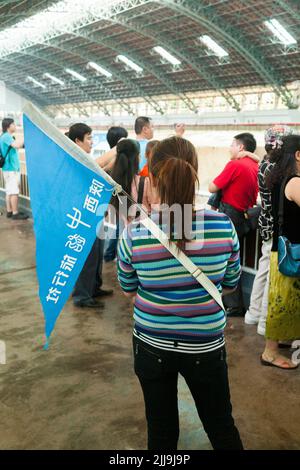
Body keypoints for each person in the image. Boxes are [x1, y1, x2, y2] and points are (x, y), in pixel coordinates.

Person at [117, 136, 243, 450]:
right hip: (205, 346)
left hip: (151, 344)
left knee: (160, 433)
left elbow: (128, 288)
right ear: (194, 172)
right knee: (221, 426)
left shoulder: (134, 233)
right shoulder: (222, 226)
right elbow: (230, 284)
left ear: (153, 179)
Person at [245, 125, 293, 335]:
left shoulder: (264, 163)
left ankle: (253, 313)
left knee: (263, 270)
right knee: (273, 274)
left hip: (266, 222)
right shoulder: (281, 169)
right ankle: (265, 321)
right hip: (278, 226)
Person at [208, 132, 259, 316]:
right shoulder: (255, 166)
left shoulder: (235, 164)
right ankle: (233, 303)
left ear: (241, 147)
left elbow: (212, 187)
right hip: (245, 217)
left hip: (229, 216)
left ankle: (234, 305)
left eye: (232, 144)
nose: (230, 148)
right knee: (234, 258)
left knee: (224, 259)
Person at [261, 134, 300, 369]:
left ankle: (281, 342)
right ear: (297, 155)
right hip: (292, 251)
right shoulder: (295, 182)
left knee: (284, 300)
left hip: (282, 249)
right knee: (282, 301)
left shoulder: (278, 177)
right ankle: (270, 353)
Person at [67, 123, 113, 308]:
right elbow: (97, 166)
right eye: (88, 138)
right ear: (77, 141)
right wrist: (117, 149)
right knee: (86, 256)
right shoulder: (74, 158)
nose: (91, 142)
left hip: (94, 212)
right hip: (82, 215)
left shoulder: (83, 158)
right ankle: (82, 296)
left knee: (96, 253)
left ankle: (94, 287)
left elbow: (100, 172)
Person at [104, 126, 128, 263]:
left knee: (120, 225)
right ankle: (115, 255)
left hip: (112, 199)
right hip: (118, 197)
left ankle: (109, 254)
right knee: (121, 227)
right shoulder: (118, 158)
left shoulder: (107, 155)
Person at [0, 118, 28, 220]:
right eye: (14, 124)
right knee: (14, 191)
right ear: (9, 126)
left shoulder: (3, 136)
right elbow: (17, 145)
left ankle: (9, 211)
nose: (15, 126)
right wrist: (26, 135)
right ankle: (15, 213)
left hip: (7, 168)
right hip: (11, 168)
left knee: (9, 191)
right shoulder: (6, 136)